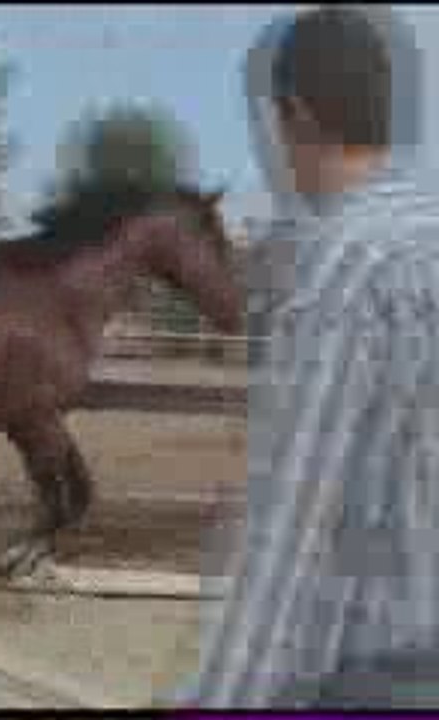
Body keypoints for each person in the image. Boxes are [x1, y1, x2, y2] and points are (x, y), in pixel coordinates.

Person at [172, 6, 439, 708]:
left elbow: (293, 526)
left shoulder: (342, 272)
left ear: (296, 115)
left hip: (382, 678)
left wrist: (221, 701)